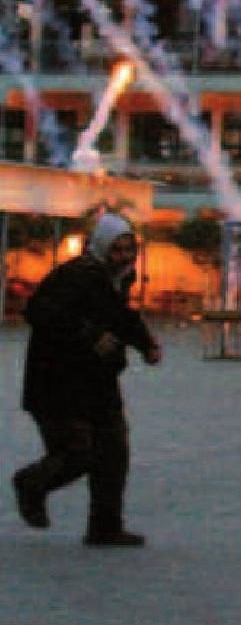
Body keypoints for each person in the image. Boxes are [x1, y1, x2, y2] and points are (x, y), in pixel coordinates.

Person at [11, 212, 163, 547]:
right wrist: (89, 335)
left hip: (98, 379)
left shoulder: (119, 278)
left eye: (129, 250)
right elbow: (39, 312)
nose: (123, 257)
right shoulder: (74, 275)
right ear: (101, 246)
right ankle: (32, 484)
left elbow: (122, 317)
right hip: (57, 382)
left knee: (113, 453)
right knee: (76, 453)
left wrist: (145, 344)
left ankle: (105, 527)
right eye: (117, 249)